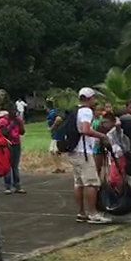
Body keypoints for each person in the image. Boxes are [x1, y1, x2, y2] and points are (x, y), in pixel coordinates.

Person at [71, 88, 112, 224]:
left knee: (79, 183)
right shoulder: (86, 111)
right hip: (84, 151)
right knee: (91, 183)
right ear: (90, 98)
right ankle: (93, 214)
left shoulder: (75, 110)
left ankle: (82, 212)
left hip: (74, 150)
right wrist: (101, 135)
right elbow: (85, 130)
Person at [0, 108, 25, 194]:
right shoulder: (3, 121)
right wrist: (11, 125)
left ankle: (17, 185)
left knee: (15, 166)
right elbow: (3, 133)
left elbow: (22, 132)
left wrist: (20, 123)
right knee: (7, 165)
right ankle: (8, 186)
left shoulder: (18, 120)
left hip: (16, 143)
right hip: (7, 144)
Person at [46, 100, 66, 173]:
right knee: (54, 151)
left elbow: (58, 119)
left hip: (57, 134)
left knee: (53, 150)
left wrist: (52, 127)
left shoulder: (52, 113)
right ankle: (58, 166)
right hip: (55, 134)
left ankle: (60, 167)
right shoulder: (53, 112)